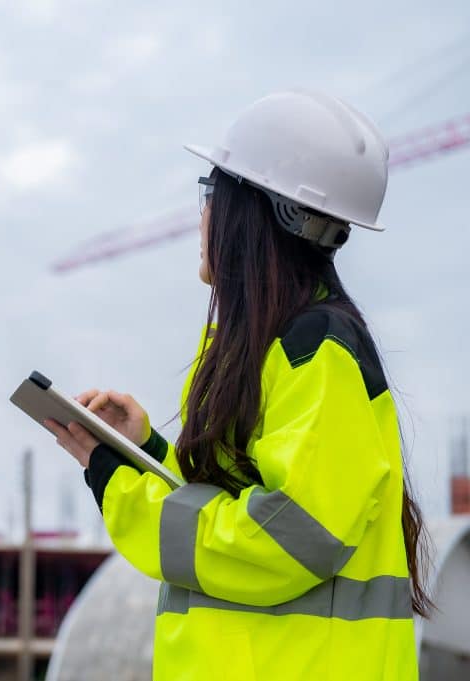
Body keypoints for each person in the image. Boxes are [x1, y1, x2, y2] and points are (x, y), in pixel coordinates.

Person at [44, 90, 429, 681]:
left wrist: (124, 493)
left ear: (257, 214)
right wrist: (143, 455)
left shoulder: (315, 352)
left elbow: (283, 540)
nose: (204, 215)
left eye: (212, 194)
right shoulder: (273, 351)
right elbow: (239, 506)